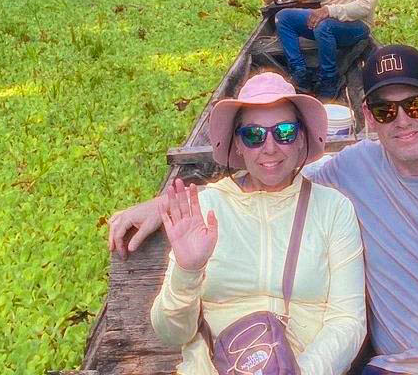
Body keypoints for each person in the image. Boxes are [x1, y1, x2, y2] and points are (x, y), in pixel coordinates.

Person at [110, 45, 418, 375]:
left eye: (415, 104)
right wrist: (167, 205)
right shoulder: (348, 172)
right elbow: (266, 183)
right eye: (385, 111)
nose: (401, 120)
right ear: (367, 117)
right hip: (398, 369)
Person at [149, 71, 366, 375]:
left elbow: (348, 320)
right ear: (237, 144)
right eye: (253, 135)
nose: (270, 147)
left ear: (302, 138)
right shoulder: (208, 205)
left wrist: (301, 372)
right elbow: (172, 334)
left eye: (285, 132)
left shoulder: (333, 209)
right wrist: (187, 271)